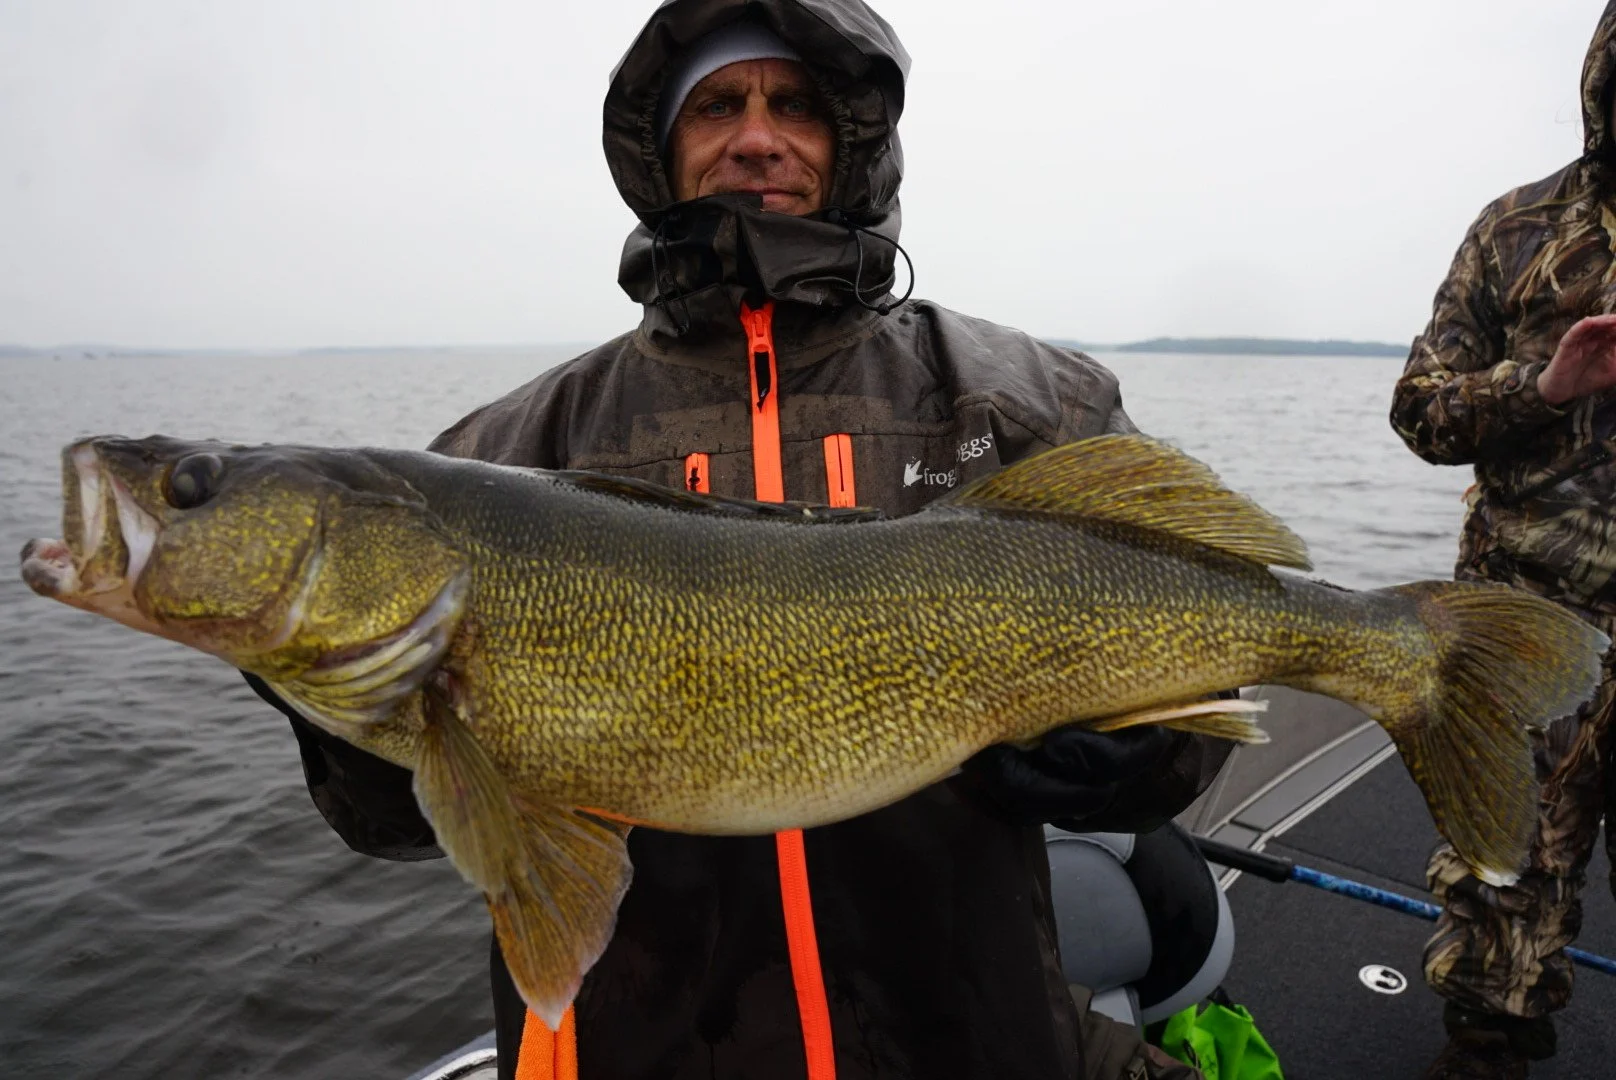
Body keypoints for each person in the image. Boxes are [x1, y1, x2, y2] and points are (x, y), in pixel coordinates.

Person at [250, 2, 1230, 1076]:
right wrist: (333, 699)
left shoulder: (1019, 407)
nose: (754, 136)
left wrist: (1139, 756)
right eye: (717, 103)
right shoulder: (508, 450)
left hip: (958, 1038)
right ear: (660, 149)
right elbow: (390, 824)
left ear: (850, 140)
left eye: (794, 105)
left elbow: (1203, 708)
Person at [1391, 5, 1616, 1077]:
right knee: (1499, 875)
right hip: (1522, 621)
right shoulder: (1513, 229)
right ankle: (1487, 1041)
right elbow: (1417, 411)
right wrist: (1543, 383)